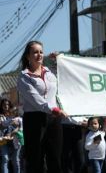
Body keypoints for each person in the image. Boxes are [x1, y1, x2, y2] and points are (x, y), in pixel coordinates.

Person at [17, 40, 67, 173]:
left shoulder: (49, 72)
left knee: (55, 158)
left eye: (41, 52)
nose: (39, 55)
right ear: (28, 56)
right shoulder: (24, 76)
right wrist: (54, 109)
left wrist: (58, 61)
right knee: (35, 160)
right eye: (35, 52)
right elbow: (36, 100)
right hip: (34, 119)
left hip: (53, 119)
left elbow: (65, 78)